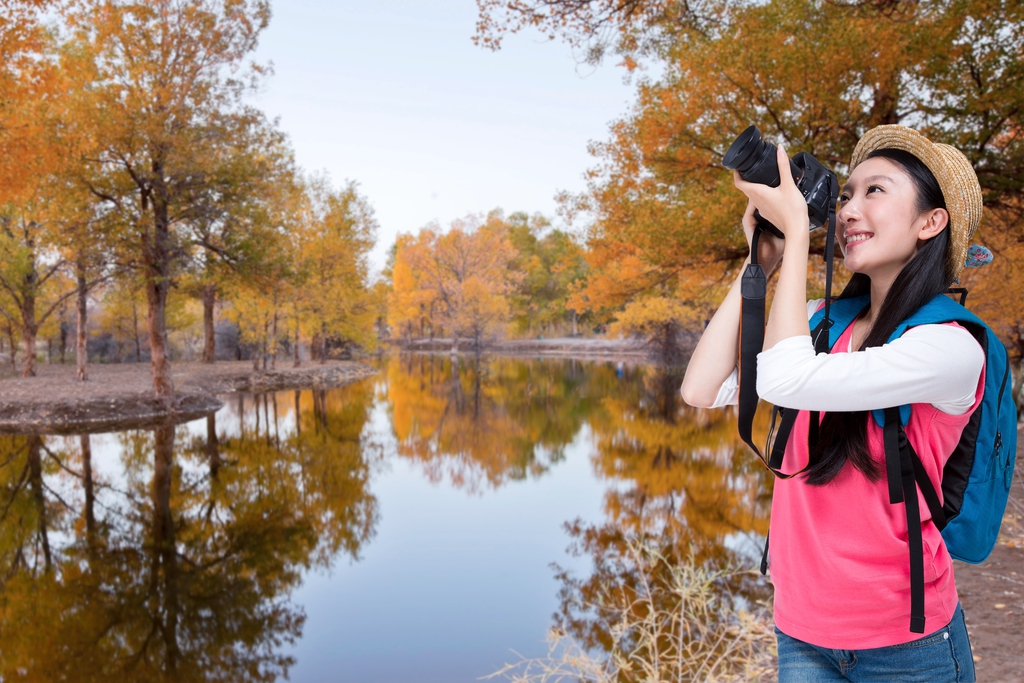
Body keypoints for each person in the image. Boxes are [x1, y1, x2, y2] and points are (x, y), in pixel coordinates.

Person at [680, 125, 985, 683]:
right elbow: (702, 388)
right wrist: (765, 257)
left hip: (904, 642)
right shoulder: (821, 322)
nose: (847, 209)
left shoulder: (947, 345)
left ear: (930, 222)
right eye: (845, 194)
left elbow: (789, 378)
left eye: (875, 191)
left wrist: (799, 233)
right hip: (801, 629)